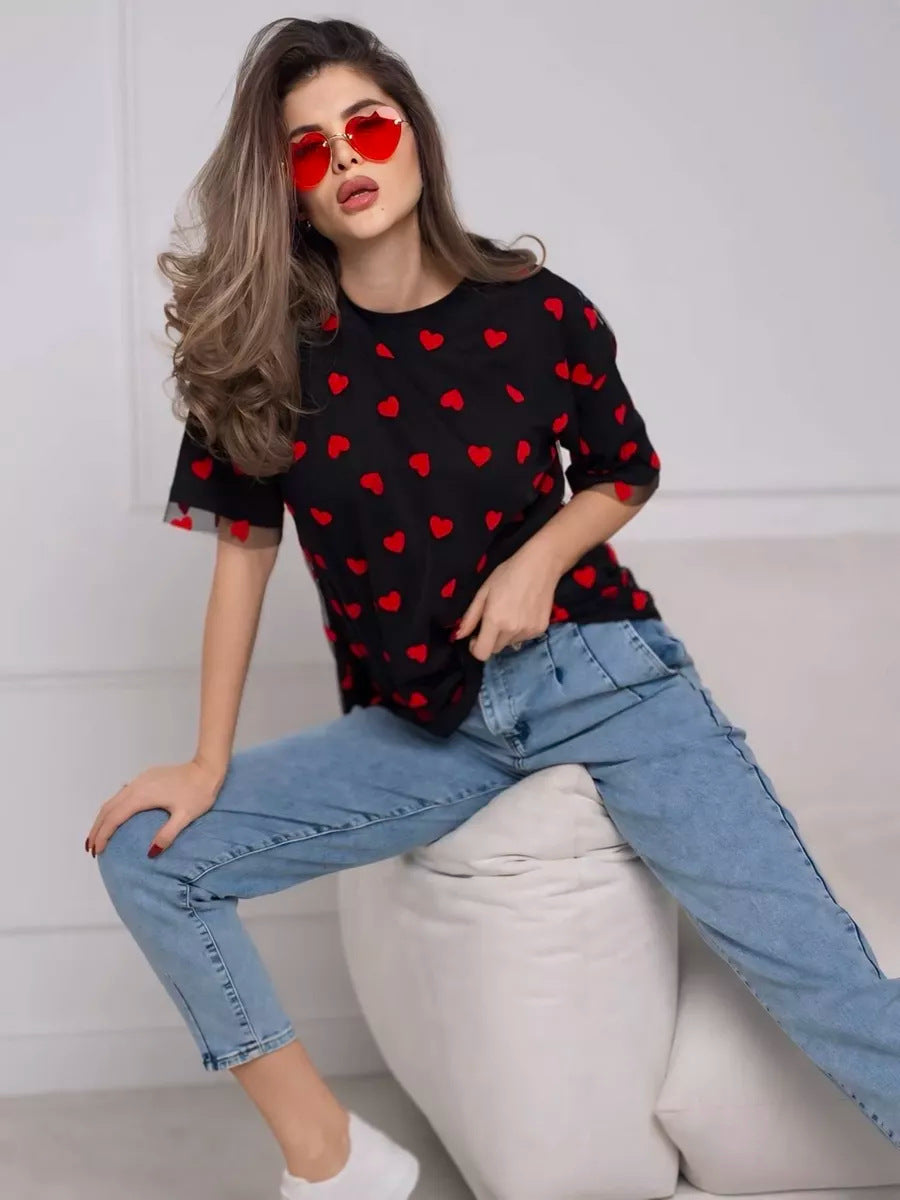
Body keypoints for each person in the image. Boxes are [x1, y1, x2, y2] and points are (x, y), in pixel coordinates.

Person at [84, 16, 900, 1200]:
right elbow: (244, 554)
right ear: (291, 191)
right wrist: (206, 761)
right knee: (148, 860)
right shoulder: (271, 352)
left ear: (416, 137)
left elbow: (624, 468)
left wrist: (538, 563)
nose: (347, 159)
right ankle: (333, 1161)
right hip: (427, 723)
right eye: (310, 149)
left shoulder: (536, 309)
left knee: (816, 968)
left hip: (604, 679)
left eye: (368, 127)